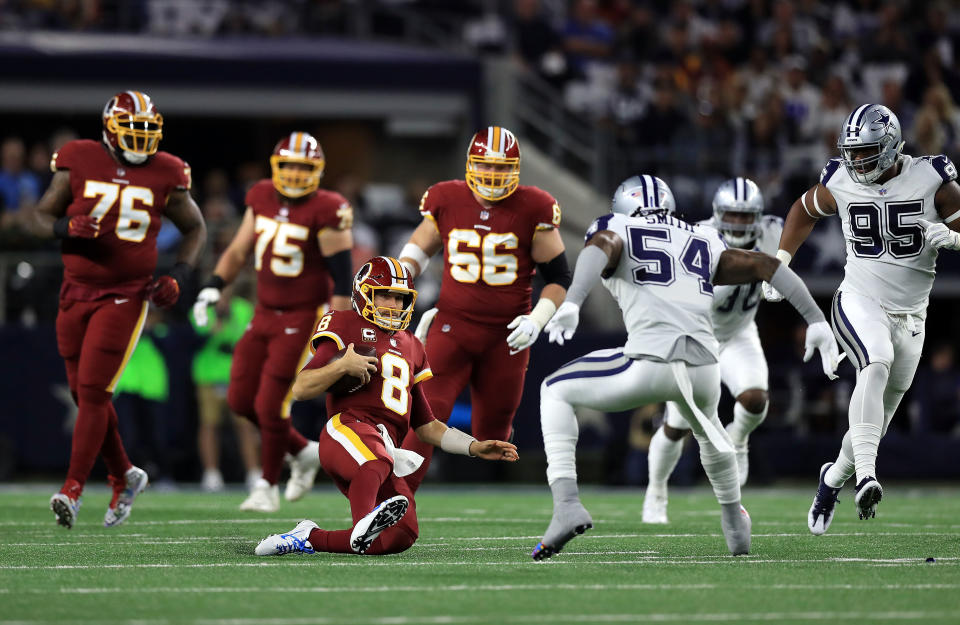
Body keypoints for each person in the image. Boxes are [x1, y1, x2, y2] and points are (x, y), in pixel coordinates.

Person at [531, 175, 838, 559]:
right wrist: (817, 320)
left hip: (650, 362)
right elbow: (765, 265)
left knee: (554, 390)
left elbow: (602, 245)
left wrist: (574, 300)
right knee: (709, 434)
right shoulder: (702, 238)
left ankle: (566, 505)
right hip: (706, 367)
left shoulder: (618, 225)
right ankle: (734, 521)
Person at [761, 103, 960, 533]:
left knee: (876, 420)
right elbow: (803, 210)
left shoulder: (932, 180)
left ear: (890, 148)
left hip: (913, 316)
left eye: (866, 152)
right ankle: (867, 477)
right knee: (875, 360)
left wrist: (954, 238)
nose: (856, 161)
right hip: (859, 297)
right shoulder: (841, 180)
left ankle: (832, 479)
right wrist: (781, 262)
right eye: (852, 152)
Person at [24, 91, 206, 528]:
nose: (142, 140)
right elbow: (37, 216)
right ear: (109, 129)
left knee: (93, 392)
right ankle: (124, 473)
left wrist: (180, 272)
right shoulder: (79, 158)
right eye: (133, 130)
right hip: (74, 290)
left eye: (148, 132)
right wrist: (62, 225)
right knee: (83, 395)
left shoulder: (167, 170)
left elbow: (195, 227)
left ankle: (73, 488)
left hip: (126, 293)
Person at [254, 257, 518, 557]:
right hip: (346, 430)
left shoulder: (413, 346)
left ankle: (309, 537)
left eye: (399, 297)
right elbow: (301, 388)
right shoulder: (344, 322)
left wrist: (474, 446)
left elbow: (427, 425)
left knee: (401, 535)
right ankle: (363, 524)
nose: (392, 303)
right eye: (384, 294)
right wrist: (341, 366)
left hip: (384, 449)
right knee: (376, 461)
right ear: (364, 293)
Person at [397, 126, 570, 492]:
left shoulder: (534, 206)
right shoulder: (446, 198)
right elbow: (416, 252)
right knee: (428, 410)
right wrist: (399, 283)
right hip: (453, 326)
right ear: (470, 165)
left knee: (494, 432)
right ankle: (395, 496)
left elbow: (559, 278)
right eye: (485, 166)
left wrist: (537, 319)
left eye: (501, 168)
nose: (492, 175)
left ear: (516, 170)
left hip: (506, 336)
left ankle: (481, 494)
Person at [192, 132, 354, 512]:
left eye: (304, 167)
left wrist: (333, 333)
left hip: (302, 316)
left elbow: (342, 282)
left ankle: (266, 485)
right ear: (276, 167)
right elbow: (238, 249)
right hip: (263, 312)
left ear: (318, 171)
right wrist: (214, 286)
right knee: (239, 399)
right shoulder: (261, 196)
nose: (296, 174)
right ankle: (302, 451)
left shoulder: (329, 209)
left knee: (270, 404)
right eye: (290, 166)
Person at [643, 177, 783, 524]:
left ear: (758, 216)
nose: (738, 223)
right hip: (697, 337)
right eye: (732, 216)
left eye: (745, 216)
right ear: (718, 214)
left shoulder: (772, 231)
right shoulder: (696, 235)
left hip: (738, 333)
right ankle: (656, 490)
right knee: (677, 426)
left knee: (755, 399)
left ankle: (737, 440)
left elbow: (794, 240)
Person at [190, 285, 261, 492]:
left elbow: (250, 338)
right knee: (209, 424)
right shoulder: (201, 309)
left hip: (237, 375)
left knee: (245, 425)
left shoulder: (244, 308)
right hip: (209, 375)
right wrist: (219, 317)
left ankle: (253, 472)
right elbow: (200, 334)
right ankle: (211, 473)